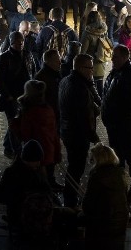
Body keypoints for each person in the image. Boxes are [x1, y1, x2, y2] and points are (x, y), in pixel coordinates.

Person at [57, 53, 101, 208]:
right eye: (89, 68)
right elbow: (84, 116)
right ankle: (70, 199)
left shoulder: (66, 80)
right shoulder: (79, 87)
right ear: (80, 68)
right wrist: (93, 136)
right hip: (77, 135)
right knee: (76, 167)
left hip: (67, 131)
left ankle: (70, 197)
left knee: (74, 165)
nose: (92, 71)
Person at [101, 44, 131, 200]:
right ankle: (121, 185)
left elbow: (129, 104)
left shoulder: (130, 75)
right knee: (118, 155)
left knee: (129, 154)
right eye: (112, 56)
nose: (112, 59)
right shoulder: (116, 72)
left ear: (125, 57)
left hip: (123, 124)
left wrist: (117, 119)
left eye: (116, 57)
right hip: (114, 124)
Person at [0, 139, 55, 232]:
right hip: (20, 216)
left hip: (38, 213)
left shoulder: (38, 171)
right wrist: (22, 199)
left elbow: (48, 191)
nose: (39, 163)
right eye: (36, 160)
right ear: (27, 159)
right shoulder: (12, 173)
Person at [81, 143, 128, 250]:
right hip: (120, 222)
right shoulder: (121, 174)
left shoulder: (97, 176)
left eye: (92, 160)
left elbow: (87, 206)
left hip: (102, 225)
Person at [0, 31, 33, 159]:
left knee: (17, 122)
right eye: (17, 42)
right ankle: (17, 151)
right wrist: (7, 95)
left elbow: (32, 71)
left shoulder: (27, 55)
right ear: (11, 43)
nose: (20, 44)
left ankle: (8, 145)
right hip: (11, 97)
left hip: (24, 95)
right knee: (13, 122)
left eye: (21, 42)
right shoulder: (4, 57)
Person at [79, 10, 110, 96]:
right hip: (102, 62)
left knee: (89, 90)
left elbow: (82, 52)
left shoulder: (88, 33)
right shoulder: (104, 30)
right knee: (100, 87)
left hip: (89, 66)